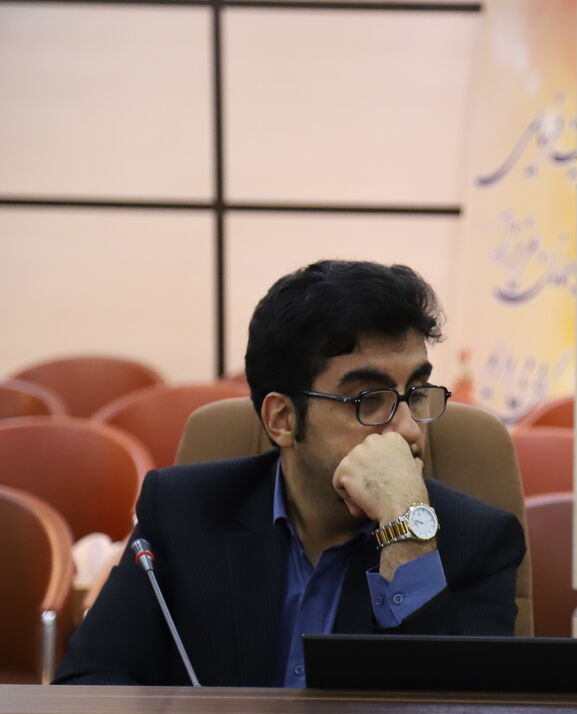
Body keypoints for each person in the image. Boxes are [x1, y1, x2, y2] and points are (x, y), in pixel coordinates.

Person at [56, 260, 525, 686]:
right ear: (282, 419)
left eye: (416, 393)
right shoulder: (182, 513)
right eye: (369, 400)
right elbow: (89, 684)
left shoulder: (477, 541)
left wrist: (406, 533)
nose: (408, 430)